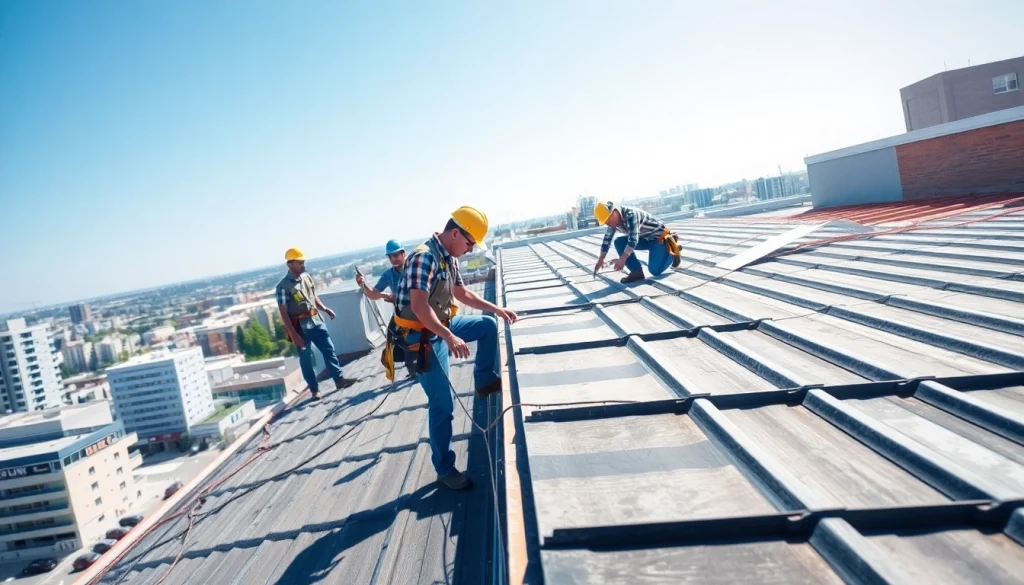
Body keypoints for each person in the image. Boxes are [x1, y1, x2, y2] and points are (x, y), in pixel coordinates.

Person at [392, 206, 516, 490]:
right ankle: (445, 469)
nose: (470, 249)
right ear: (456, 233)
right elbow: (419, 306)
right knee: (442, 405)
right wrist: (449, 336)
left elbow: (461, 293)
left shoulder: (448, 256)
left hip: (440, 323)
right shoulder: (425, 257)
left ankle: (484, 381)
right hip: (420, 336)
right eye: (470, 243)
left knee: (486, 326)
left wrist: (496, 309)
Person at [276, 247, 357, 400]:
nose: (303, 265)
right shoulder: (282, 287)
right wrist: (293, 334)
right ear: (290, 265)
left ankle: (339, 380)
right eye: (299, 262)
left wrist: (325, 309)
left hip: (316, 321)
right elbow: (283, 313)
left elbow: (313, 297)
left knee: (329, 350)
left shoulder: (306, 277)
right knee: (306, 358)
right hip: (300, 327)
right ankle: (314, 390)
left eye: (303, 262)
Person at [592, 201, 681, 283]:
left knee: (655, 271)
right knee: (619, 242)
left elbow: (633, 240)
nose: (608, 224)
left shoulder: (631, 215)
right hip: (645, 238)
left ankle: (673, 249)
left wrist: (622, 259)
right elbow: (607, 240)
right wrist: (601, 259)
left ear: (614, 212)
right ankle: (637, 272)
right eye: (605, 222)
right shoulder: (614, 222)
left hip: (659, 239)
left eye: (608, 220)